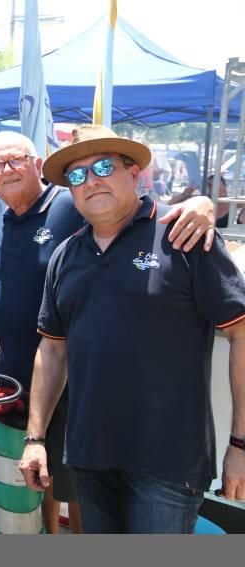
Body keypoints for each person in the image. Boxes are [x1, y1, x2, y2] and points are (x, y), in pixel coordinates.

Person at [0, 129, 216, 533]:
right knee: (24, 489)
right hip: (16, 376)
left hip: (75, 378)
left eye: (17, 160)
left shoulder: (71, 200)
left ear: (36, 164)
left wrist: (200, 203)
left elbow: (137, 210)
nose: (9, 169)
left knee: (79, 490)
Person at [20, 124, 245, 533]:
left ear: (134, 173)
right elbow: (52, 350)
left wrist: (241, 444)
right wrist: (35, 440)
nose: (90, 180)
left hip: (168, 463)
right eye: (77, 174)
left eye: (104, 166)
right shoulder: (66, 254)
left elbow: (241, 335)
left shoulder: (184, 236)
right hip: (90, 455)